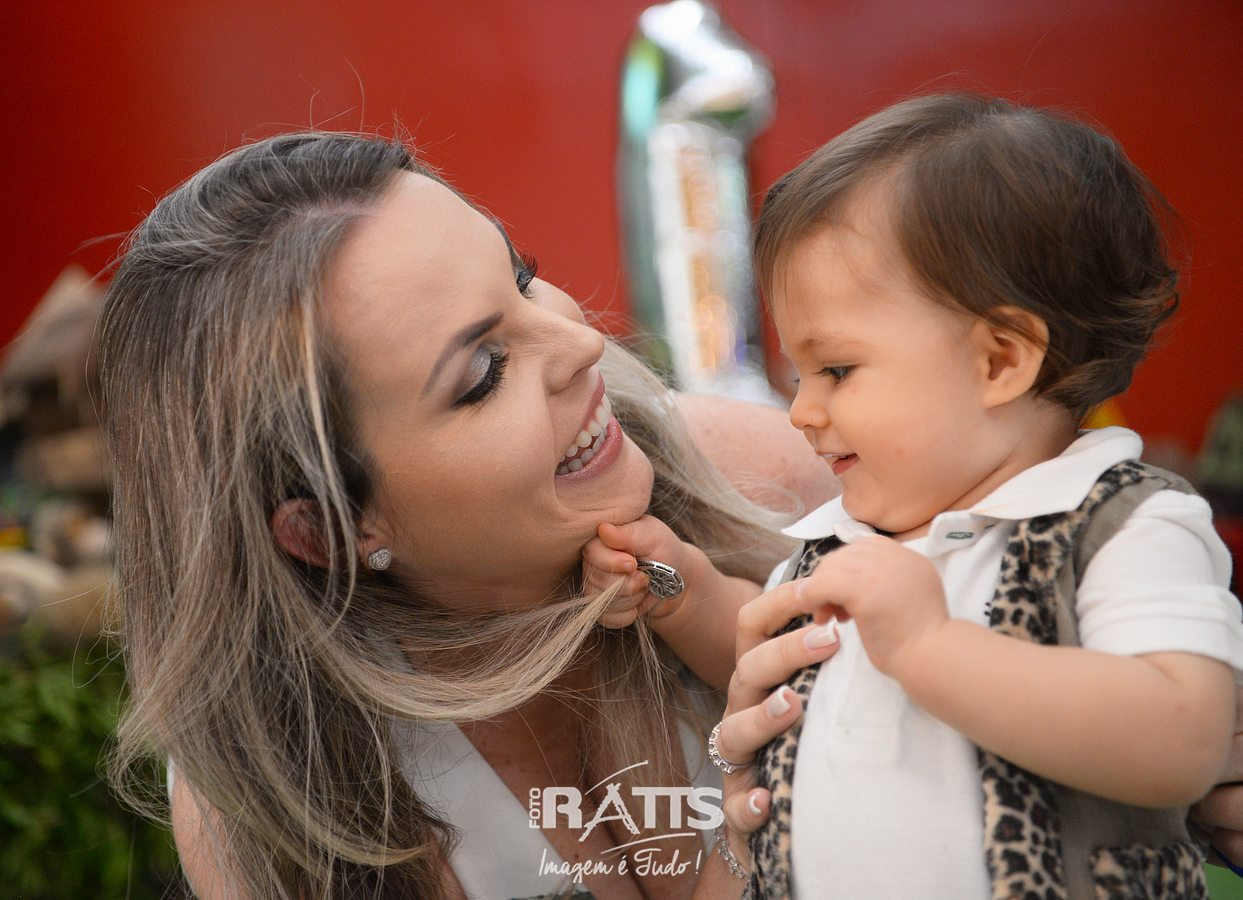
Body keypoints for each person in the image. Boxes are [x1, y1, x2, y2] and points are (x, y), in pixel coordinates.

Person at [96, 129, 843, 899]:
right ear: (329, 531)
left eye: (522, 279)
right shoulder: (280, 805)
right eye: (483, 371)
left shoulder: (777, 477)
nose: (580, 342)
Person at [723, 93, 1243, 899]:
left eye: (835, 370)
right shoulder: (828, 545)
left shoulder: (1120, 526)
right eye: (797, 376)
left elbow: (1182, 743)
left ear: (999, 360)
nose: (801, 412)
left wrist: (929, 647)